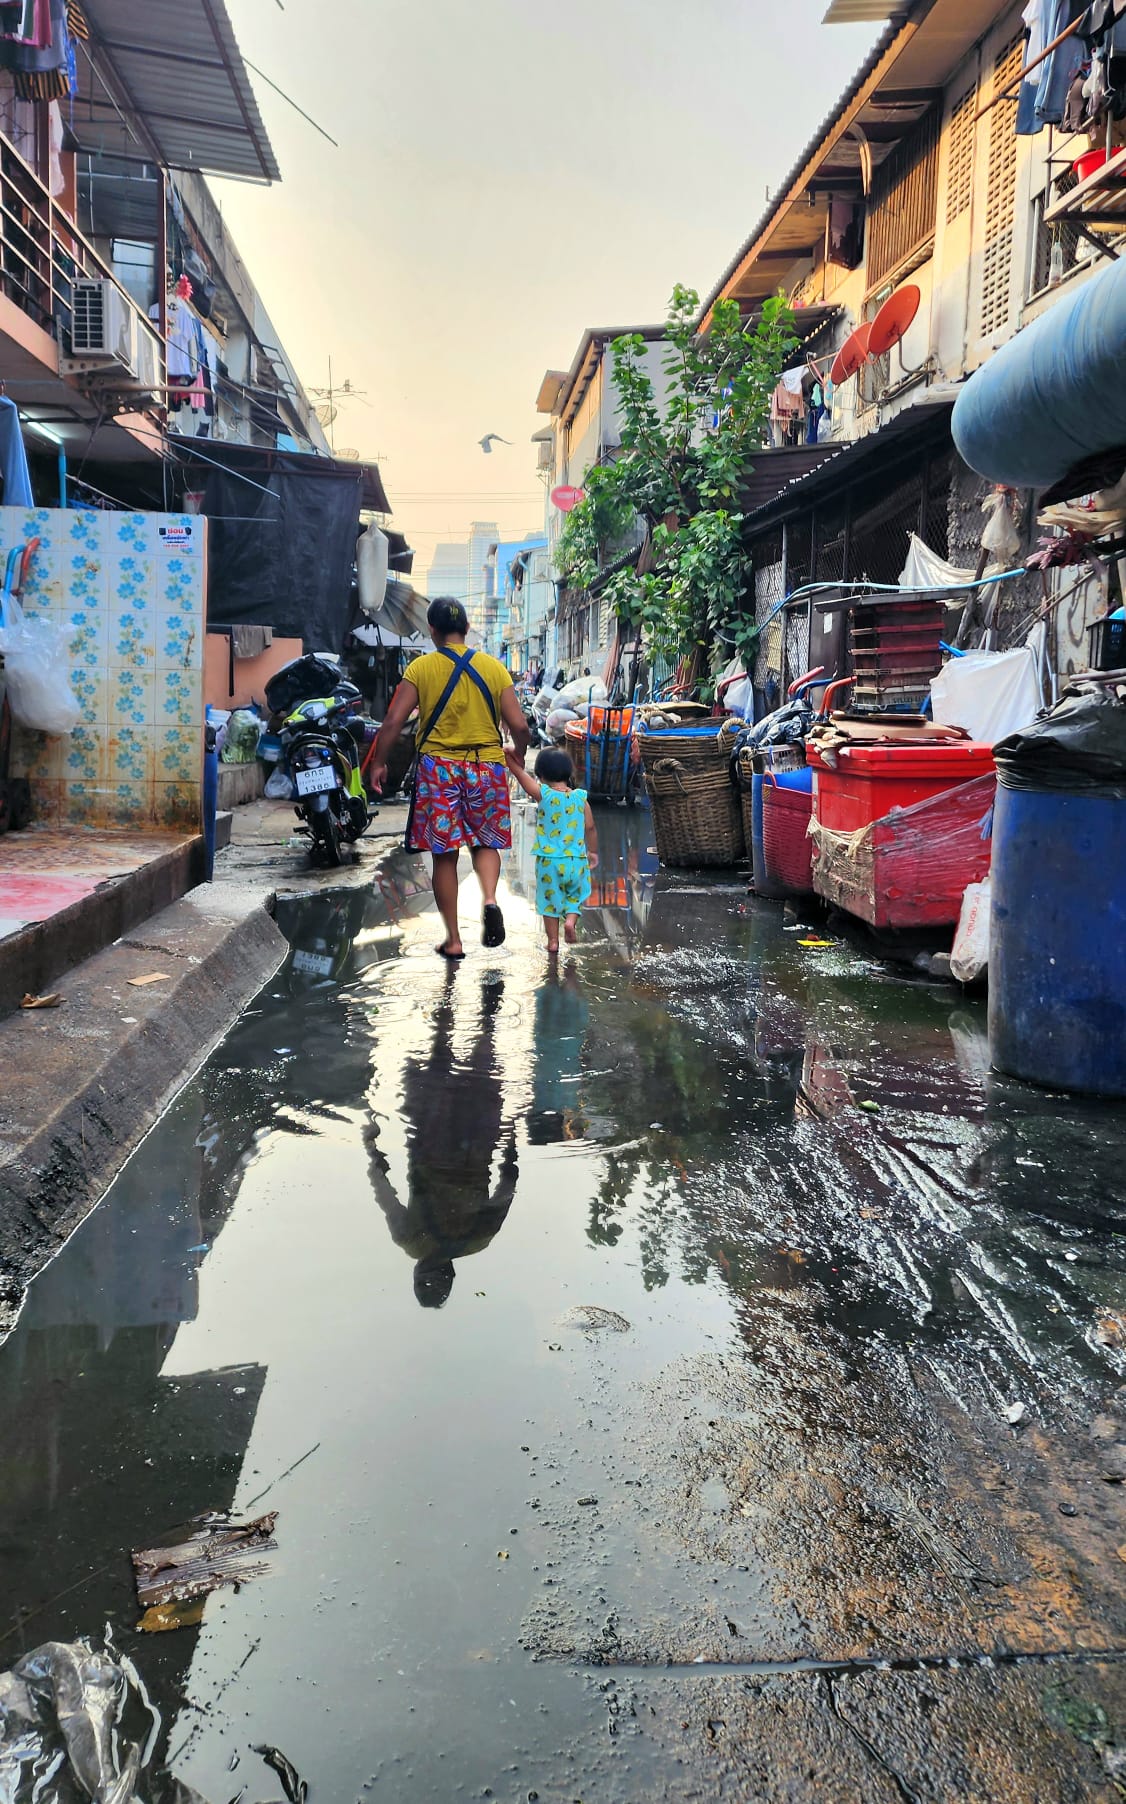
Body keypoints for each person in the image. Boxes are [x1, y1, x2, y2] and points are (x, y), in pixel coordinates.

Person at [369, 597, 529, 960]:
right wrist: (518, 750)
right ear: (468, 629)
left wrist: (379, 762)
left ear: (432, 630)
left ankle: (454, 940)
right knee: (485, 843)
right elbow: (519, 725)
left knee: (444, 855)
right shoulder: (494, 668)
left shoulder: (421, 668)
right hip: (486, 766)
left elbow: (393, 721)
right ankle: (489, 899)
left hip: (439, 771)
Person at [367, 970, 517, 1307]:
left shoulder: (480, 1239)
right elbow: (382, 1186)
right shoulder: (410, 1241)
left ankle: (489, 1007)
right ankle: (449, 982)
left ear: (451, 1274)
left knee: (486, 1046)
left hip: (478, 1139)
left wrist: (510, 1139)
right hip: (430, 1136)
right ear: (419, 1273)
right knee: (439, 1049)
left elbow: (508, 1185)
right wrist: (371, 1144)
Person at [505, 746, 597, 954]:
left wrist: (508, 758)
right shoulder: (581, 798)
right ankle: (571, 922)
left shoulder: (543, 794)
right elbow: (590, 827)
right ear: (569, 773)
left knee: (550, 901)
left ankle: (553, 941)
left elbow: (520, 775)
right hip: (575, 860)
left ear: (541, 775)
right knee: (574, 896)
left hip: (549, 862)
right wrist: (593, 852)